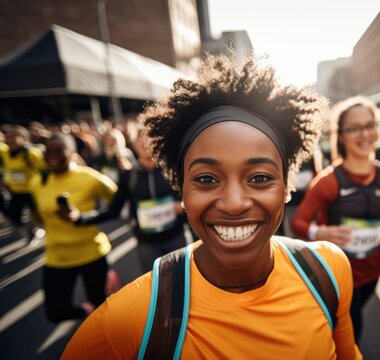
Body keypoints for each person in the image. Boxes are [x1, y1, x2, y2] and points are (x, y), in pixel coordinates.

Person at [62, 54, 362, 359]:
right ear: (181, 190)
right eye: (206, 178)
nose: (234, 204)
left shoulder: (328, 270)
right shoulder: (128, 320)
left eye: (259, 177)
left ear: (286, 187)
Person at [290, 95, 380, 342]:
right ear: (342, 135)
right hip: (339, 273)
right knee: (351, 325)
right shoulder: (328, 181)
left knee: (352, 319)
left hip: (374, 268)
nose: (364, 134)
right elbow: (299, 224)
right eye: (354, 128)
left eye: (369, 125)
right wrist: (320, 233)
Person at [57, 127, 190, 273]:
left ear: (158, 142)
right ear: (134, 145)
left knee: (186, 281)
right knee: (157, 288)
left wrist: (184, 205)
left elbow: (192, 195)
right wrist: (80, 218)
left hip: (177, 237)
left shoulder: (173, 169)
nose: (146, 143)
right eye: (141, 139)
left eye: (150, 138)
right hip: (147, 244)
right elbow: (114, 209)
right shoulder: (129, 176)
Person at [30, 133, 117, 322]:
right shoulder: (37, 182)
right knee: (55, 313)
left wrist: (82, 217)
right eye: (48, 151)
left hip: (92, 254)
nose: (52, 156)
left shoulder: (91, 178)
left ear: (72, 152)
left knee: (103, 308)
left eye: (59, 151)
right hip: (57, 257)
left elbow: (117, 206)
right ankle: (85, 312)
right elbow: (37, 211)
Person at [0, 125, 47, 242]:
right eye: (8, 137)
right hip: (15, 190)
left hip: (32, 191)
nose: (10, 140)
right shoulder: (4, 152)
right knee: (14, 216)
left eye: (14, 137)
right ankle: (27, 228)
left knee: (36, 215)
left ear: (24, 138)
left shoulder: (31, 153)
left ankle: (35, 231)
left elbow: (44, 171)